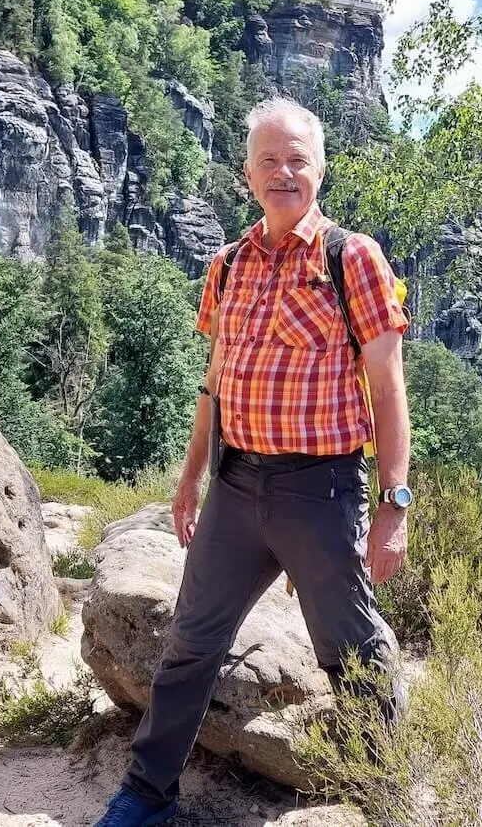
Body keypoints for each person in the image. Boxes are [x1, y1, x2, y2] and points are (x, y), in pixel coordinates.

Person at [95, 98, 414, 827]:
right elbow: (216, 381)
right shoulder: (228, 264)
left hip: (320, 489)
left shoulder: (352, 258)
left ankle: (382, 794)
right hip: (236, 486)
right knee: (190, 643)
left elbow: (389, 386)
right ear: (247, 174)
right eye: (269, 160)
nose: (283, 173)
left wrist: (394, 505)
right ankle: (148, 793)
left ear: (320, 169)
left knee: (352, 650)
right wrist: (190, 477)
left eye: (297, 159)